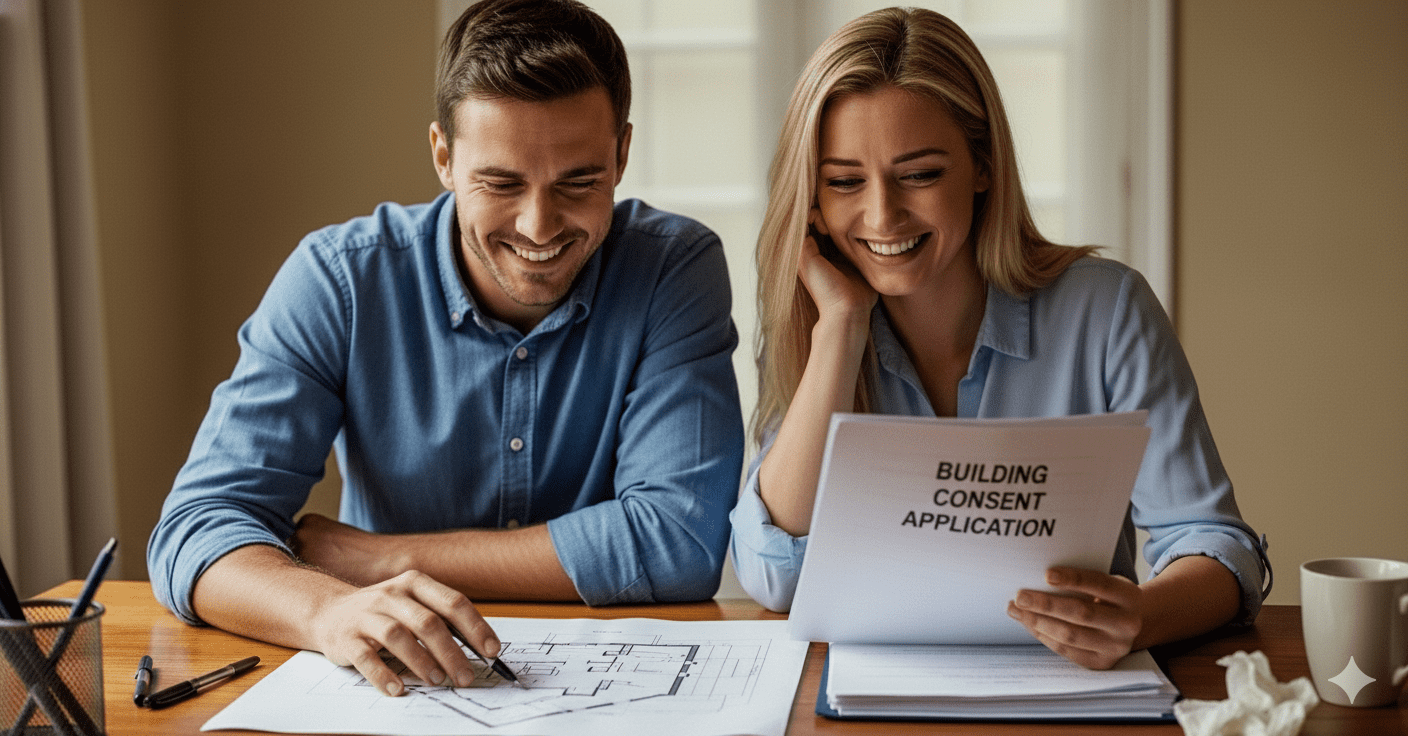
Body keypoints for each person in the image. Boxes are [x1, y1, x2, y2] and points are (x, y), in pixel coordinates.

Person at [148, 0, 744, 697]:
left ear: (622, 153)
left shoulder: (675, 269)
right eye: (501, 182)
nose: (539, 225)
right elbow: (197, 530)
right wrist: (329, 609)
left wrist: (384, 558)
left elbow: (677, 543)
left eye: (580, 182)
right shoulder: (339, 281)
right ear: (443, 157)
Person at [729, 7, 1270, 670]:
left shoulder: (1106, 309)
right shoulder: (814, 324)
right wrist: (840, 327)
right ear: (811, 198)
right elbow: (774, 573)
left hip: (1071, 690)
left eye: (921, 174)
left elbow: (1216, 543)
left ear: (982, 165)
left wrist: (1142, 617)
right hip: (871, 696)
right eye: (844, 182)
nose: (880, 215)